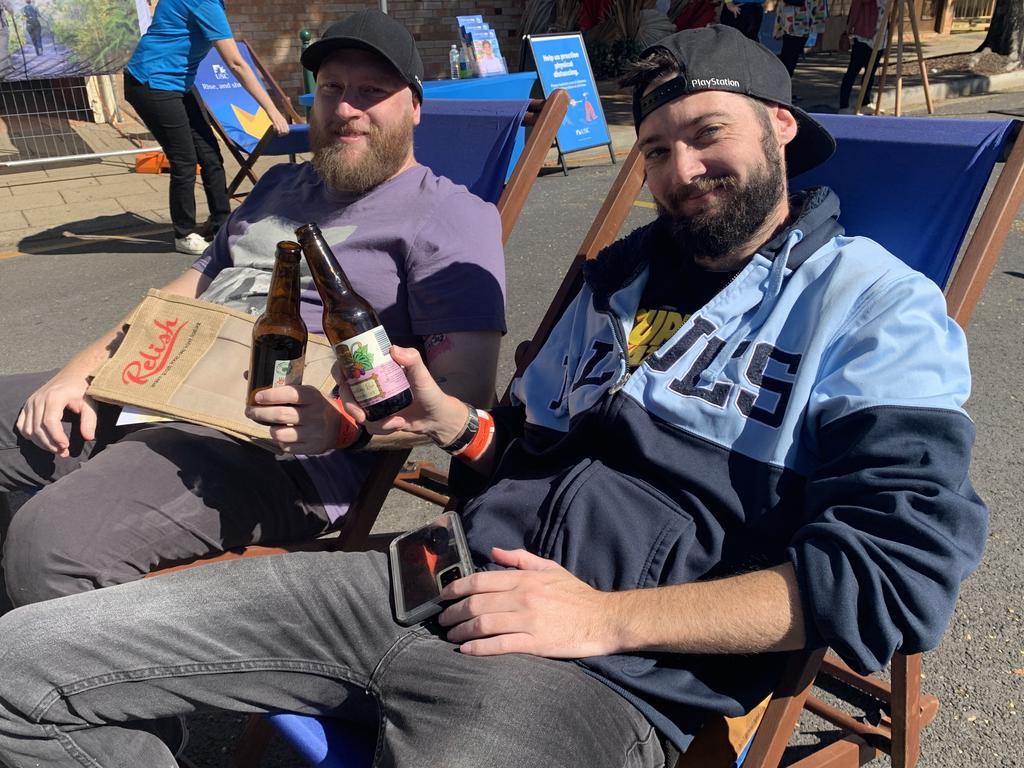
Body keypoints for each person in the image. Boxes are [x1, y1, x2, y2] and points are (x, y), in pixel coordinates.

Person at [0, 24, 987, 768]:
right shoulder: (624, 281)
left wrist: (601, 619)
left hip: (585, 673)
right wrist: (461, 431)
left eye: (707, 135)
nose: (682, 171)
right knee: (19, 671)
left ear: (780, 127)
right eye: (656, 148)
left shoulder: (870, 307)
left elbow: (895, 584)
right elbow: (519, 464)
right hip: (422, 580)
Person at [0, 10, 505, 611]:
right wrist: (80, 371)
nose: (347, 108)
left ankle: (95, 689)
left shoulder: (451, 216)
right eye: (333, 89)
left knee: (55, 541)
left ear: (416, 107)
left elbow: (463, 391)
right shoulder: (277, 188)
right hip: (159, 384)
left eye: (373, 91)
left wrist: (344, 422)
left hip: (274, 449)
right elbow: (183, 290)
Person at [123, 0, 290, 255]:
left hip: (178, 82)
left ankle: (221, 223)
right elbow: (235, 63)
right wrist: (272, 109)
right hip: (151, 81)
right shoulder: (203, 2)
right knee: (185, 160)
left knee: (211, 154)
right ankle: (184, 234)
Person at [840, 0, 887, 112]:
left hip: (881, 38)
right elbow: (856, 6)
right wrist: (849, 28)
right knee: (853, 71)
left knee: (870, 72)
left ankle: (865, 102)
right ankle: (843, 105)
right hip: (864, 36)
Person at [773, 0, 827, 76]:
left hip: (792, 21)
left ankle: (783, 80)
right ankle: (783, 80)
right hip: (801, 22)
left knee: (788, 56)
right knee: (790, 57)